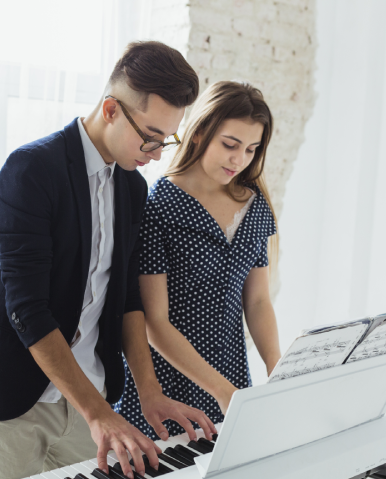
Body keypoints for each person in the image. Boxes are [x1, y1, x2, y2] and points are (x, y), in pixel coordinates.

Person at [0, 41, 216, 479]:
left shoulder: (131, 189)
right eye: (149, 136)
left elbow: (128, 298)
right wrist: (100, 415)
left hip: (87, 393)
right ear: (111, 109)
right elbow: (28, 310)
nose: (154, 153)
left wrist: (148, 392)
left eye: (165, 140)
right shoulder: (32, 170)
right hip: (8, 398)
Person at [114, 81, 283, 439]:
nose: (239, 160)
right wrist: (220, 390)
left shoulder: (255, 207)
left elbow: (257, 301)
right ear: (199, 132)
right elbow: (153, 321)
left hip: (232, 377)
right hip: (167, 382)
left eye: (252, 149)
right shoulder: (160, 205)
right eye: (230, 144)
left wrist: (276, 367)